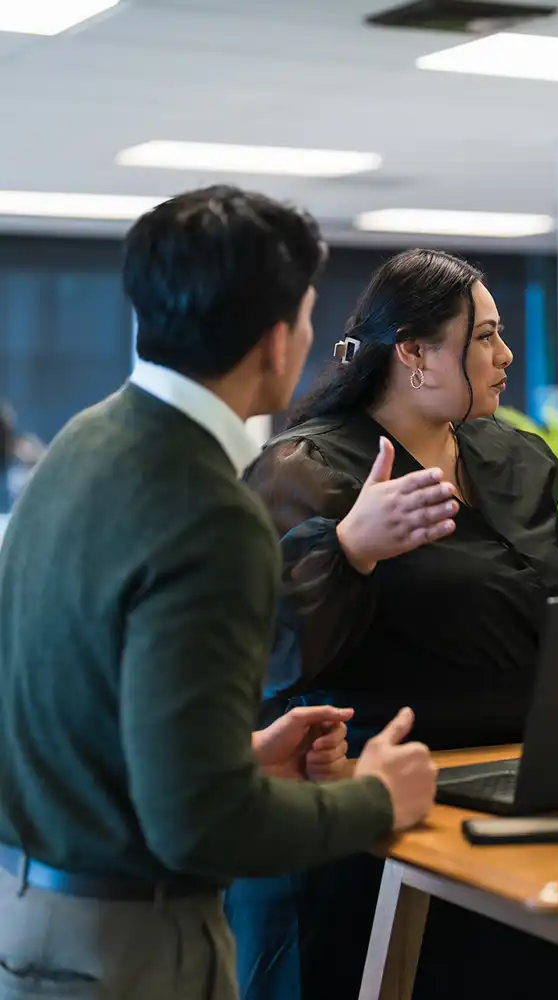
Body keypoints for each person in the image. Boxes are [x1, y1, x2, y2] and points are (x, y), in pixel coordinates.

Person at [226, 247, 558, 1000]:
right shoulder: (307, 470)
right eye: (486, 337)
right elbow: (262, 654)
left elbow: (550, 600)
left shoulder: (515, 458)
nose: (506, 357)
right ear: (414, 354)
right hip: (366, 814)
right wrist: (348, 551)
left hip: (502, 803)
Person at [0, 186, 438, 1000]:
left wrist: (234, 759)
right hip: (132, 945)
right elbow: (203, 825)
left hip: (29, 917)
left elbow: (82, 717)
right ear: (276, 342)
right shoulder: (211, 510)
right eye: (309, 318)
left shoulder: (79, 443)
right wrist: (377, 800)